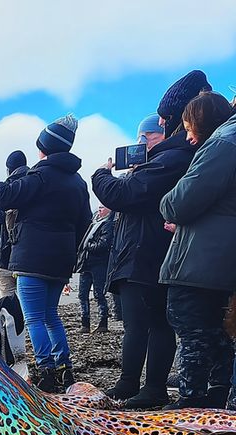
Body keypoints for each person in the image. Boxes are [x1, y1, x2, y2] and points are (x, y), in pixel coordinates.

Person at [92, 71, 209, 409]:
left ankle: (146, 386)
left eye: (152, 131)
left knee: (149, 324)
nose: (144, 140)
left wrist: (101, 173)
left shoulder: (172, 158)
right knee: (147, 323)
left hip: (146, 252)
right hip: (146, 249)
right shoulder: (174, 157)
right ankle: (138, 384)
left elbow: (124, 194)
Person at [0, 114, 91, 393]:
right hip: (60, 262)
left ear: (44, 148)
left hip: (32, 260)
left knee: (35, 318)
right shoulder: (78, 183)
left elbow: (1, 195)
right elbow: (84, 223)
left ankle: (45, 372)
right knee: (51, 316)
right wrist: (69, 255)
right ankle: (65, 369)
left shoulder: (40, 176)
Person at [159, 91, 236, 408]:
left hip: (199, 262)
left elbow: (179, 202)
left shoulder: (223, 143)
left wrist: (167, 204)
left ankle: (191, 400)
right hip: (220, 260)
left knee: (191, 328)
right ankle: (218, 392)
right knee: (214, 331)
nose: (188, 138)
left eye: (189, 128)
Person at [0, 150, 29, 297]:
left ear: (8, 169)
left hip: (6, 257)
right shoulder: (34, 184)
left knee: (9, 303)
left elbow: (2, 218)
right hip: (30, 259)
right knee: (29, 304)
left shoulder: (5, 189)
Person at [75, 205, 114, 332]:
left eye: (102, 208)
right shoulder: (94, 222)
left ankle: (103, 323)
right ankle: (85, 324)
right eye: (99, 208)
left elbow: (104, 244)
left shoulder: (108, 224)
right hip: (85, 263)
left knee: (99, 294)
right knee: (82, 294)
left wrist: (89, 246)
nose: (99, 210)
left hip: (99, 264)